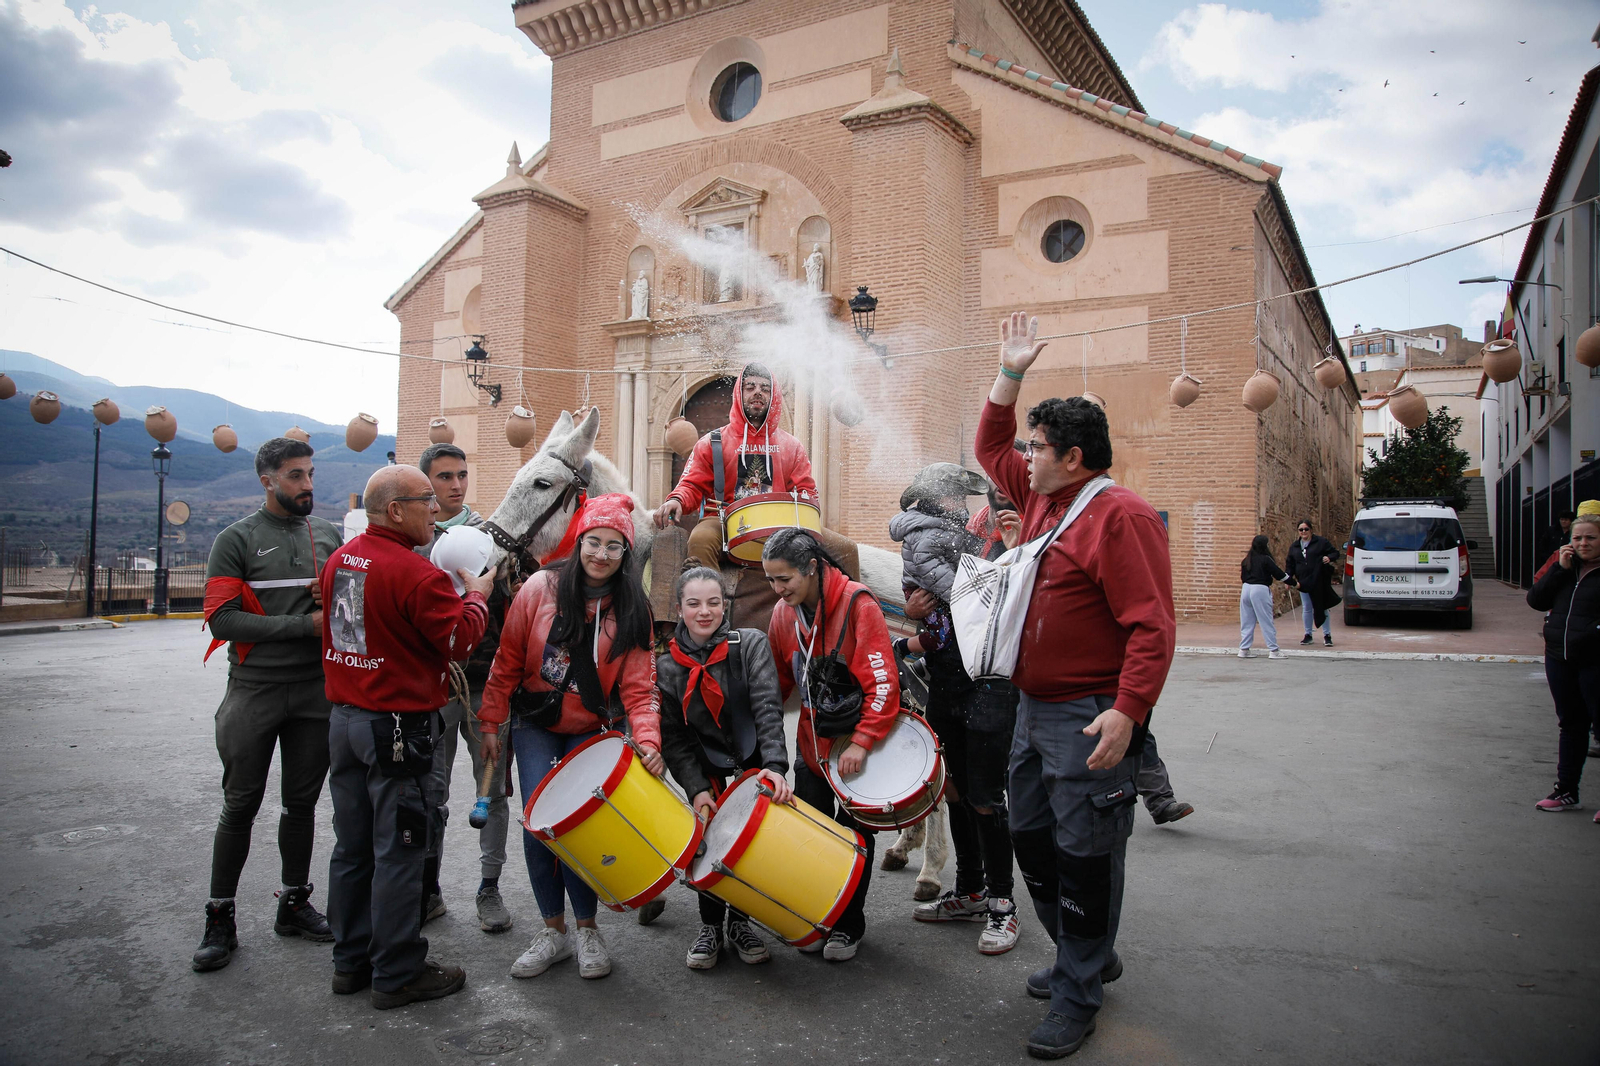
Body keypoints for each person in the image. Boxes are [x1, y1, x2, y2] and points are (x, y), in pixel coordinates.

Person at [977, 312, 1176, 1059]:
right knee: (1033, 837)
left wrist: (1128, 714)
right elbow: (989, 446)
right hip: (1034, 710)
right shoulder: (1042, 499)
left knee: (1087, 851)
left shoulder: (1118, 516)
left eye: (1037, 448)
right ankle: (1083, 953)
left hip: (1090, 716)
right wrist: (1011, 373)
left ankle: (1078, 991)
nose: (1022, 458)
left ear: (1074, 455)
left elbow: (1152, 626)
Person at [320, 465, 494, 1009]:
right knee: (401, 849)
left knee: (352, 847)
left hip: (346, 720)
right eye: (426, 501)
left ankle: (350, 961)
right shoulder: (413, 573)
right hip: (395, 727)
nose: (437, 512)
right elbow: (459, 639)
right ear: (396, 510)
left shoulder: (340, 561)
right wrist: (477, 594)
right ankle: (396, 970)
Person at [478, 494, 665, 982]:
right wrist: (489, 724)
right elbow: (507, 662)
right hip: (535, 723)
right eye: (594, 542)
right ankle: (552, 931)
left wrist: (648, 742)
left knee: (581, 828)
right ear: (579, 540)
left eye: (614, 546)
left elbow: (641, 689)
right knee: (540, 825)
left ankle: (586, 930)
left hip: (591, 729)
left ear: (626, 554)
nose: (601, 554)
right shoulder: (540, 588)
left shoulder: (632, 609)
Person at [193, 437, 345, 973]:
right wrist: (303, 624)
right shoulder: (236, 539)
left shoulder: (327, 535)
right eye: (295, 476)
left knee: (300, 806)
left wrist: (333, 600)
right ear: (268, 480)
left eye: (309, 475)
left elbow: (347, 606)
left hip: (314, 691)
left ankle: (294, 903)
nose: (307, 485)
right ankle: (220, 916)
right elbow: (222, 620)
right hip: (254, 689)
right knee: (240, 806)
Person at [890, 464, 1022, 955]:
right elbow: (976, 597)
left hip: (978, 681)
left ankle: (1002, 905)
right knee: (965, 793)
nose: (963, 506)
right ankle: (972, 891)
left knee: (983, 795)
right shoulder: (937, 538)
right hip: (960, 678)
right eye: (955, 499)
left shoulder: (955, 536)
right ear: (937, 501)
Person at [763, 528, 899, 961]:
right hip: (812, 746)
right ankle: (820, 916)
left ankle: (849, 924)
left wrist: (862, 741)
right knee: (816, 834)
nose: (778, 589)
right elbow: (778, 685)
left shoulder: (859, 603)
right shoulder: (783, 615)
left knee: (856, 835)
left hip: (860, 746)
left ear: (813, 568)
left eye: (785, 579)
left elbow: (882, 683)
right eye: (771, 580)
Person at [656, 567, 791, 970]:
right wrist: (696, 788)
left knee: (751, 842)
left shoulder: (750, 644)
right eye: (694, 603)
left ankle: (741, 922)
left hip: (750, 756)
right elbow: (675, 738)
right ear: (679, 608)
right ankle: (711, 925)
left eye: (713, 602)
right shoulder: (665, 667)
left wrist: (775, 768)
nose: (704, 612)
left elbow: (768, 707)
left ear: (724, 605)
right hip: (704, 761)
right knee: (708, 838)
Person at [413, 443, 514, 935]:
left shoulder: (493, 539)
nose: (455, 484)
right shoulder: (412, 542)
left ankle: (488, 887)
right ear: (425, 484)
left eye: (461, 475)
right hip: (432, 686)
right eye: (444, 476)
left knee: (490, 790)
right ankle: (427, 889)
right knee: (429, 790)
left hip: (486, 685)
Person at [651, 363, 817, 570]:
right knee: (700, 540)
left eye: (765, 389)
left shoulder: (792, 446)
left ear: (773, 397)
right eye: (751, 387)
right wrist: (676, 500)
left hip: (778, 526)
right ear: (739, 393)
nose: (758, 392)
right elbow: (691, 485)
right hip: (724, 522)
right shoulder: (712, 442)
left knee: (842, 547)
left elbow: (806, 492)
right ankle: (710, 599)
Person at [1526, 508, 1600, 818]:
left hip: (1595, 660)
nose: (1583, 543)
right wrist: (1559, 568)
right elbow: (1536, 600)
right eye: (1577, 538)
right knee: (1571, 725)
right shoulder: (1563, 568)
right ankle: (1567, 790)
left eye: (1591, 538)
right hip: (1560, 657)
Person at [1285, 519, 1340, 646]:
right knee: (1307, 607)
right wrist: (1288, 579)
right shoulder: (1294, 546)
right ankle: (1308, 634)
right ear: (1298, 531)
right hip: (1303, 581)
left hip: (1318, 580)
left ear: (1311, 530)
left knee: (1322, 606)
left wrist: (1329, 557)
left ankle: (1327, 635)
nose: (1304, 532)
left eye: (1306, 529)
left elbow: (1335, 553)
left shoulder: (1321, 542)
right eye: (1301, 530)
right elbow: (1290, 564)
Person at [1240, 535, 1288, 660]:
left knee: (1247, 621)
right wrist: (1293, 582)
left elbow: (1243, 577)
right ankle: (1273, 650)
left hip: (1246, 588)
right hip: (1260, 589)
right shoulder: (1266, 559)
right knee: (1266, 620)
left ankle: (1244, 649)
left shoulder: (1246, 560)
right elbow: (1279, 574)